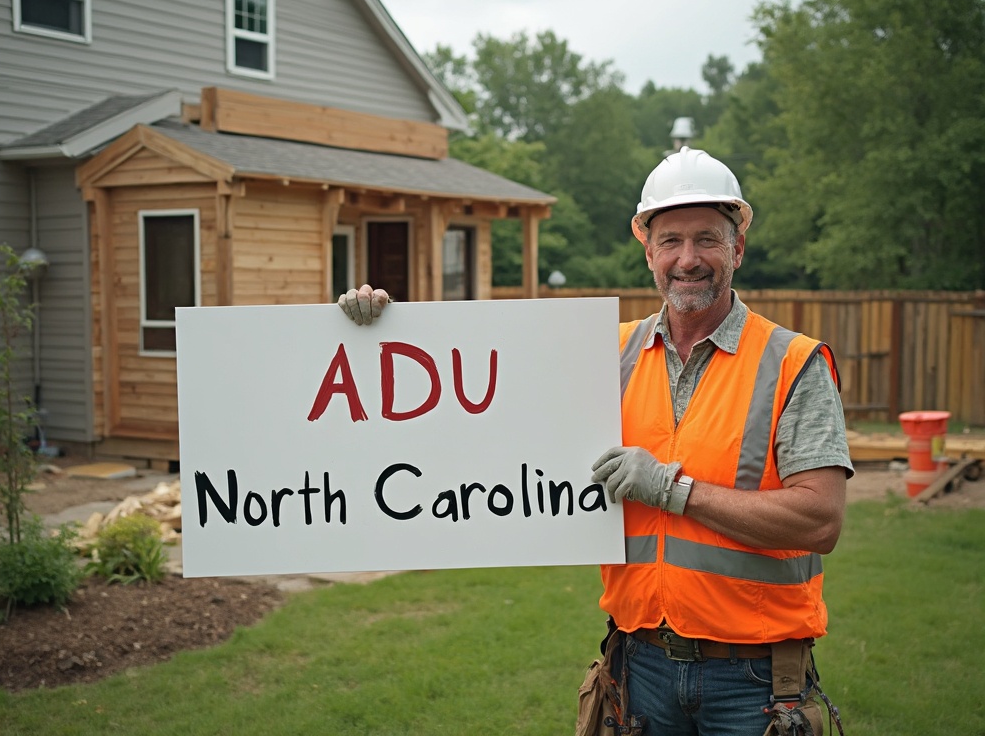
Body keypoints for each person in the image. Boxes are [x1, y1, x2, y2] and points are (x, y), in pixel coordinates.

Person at [338, 147, 852, 736]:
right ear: (647, 248)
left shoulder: (792, 363)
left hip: (756, 683)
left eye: (707, 239)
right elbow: (474, 407)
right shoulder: (602, 353)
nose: (689, 258)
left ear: (737, 246)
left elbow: (819, 521)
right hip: (640, 669)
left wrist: (671, 489)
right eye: (671, 241)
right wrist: (384, 332)